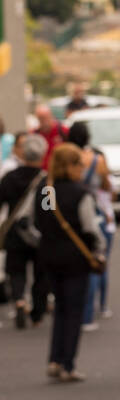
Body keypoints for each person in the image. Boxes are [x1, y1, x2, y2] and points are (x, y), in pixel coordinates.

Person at [34, 143, 106, 382]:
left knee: (60, 310)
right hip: (75, 258)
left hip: (49, 255)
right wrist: (99, 248)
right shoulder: (80, 192)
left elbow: (39, 222)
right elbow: (89, 226)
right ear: (71, 166)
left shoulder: (46, 190)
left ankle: (54, 359)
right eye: (80, 165)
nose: (83, 171)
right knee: (74, 311)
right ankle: (67, 364)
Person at [65, 121, 115, 330]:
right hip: (95, 213)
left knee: (74, 265)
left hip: (70, 214)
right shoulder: (96, 159)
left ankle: (75, 310)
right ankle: (99, 307)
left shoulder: (65, 159)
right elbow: (107, 187)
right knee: (98, 261)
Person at [0, 133, 50, 329]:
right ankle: (37, 314)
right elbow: (50, 210)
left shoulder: (9, 178)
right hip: (39, 235)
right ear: (42, 155)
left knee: (16, 270)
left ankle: (20, 300)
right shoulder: (47, 181)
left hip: (15, 232)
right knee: (40, 275)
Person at [31, 105, 68, 170]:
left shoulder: (63, 131)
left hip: (60, 172)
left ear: (51, 116)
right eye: (41, 118)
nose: (44, 121)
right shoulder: (34, 135)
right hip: (42, 173)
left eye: (45, 117)